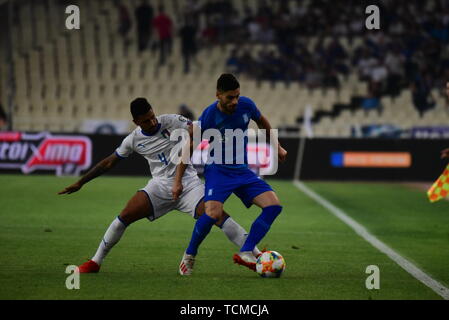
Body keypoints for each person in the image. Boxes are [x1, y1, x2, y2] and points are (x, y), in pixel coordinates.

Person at [58, 97, 260, 273]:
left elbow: (197, 129)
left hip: (188, 183)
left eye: (152, 116)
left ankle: (256, 254)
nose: (152, 122)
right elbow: (109, 162)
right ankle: (95, 261)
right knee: (124, 216)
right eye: (146, 121)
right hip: (160, 187)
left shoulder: (172, 120)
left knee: (216, 214)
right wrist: (80, 182)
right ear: (136, 122)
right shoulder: (133, 140)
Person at [173, 74, 287, 275]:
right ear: (218, 95)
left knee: (273, 206)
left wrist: (277, 146)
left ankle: (246, 251)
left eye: (237, 96)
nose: (235, 101)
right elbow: (188, 147)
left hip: (242, 171)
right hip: (218, 171)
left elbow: (262, 122)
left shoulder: (246, 105)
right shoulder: (208, 117)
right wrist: (177, 181)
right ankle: (189, 255)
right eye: (230, 97)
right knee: (213, 214)